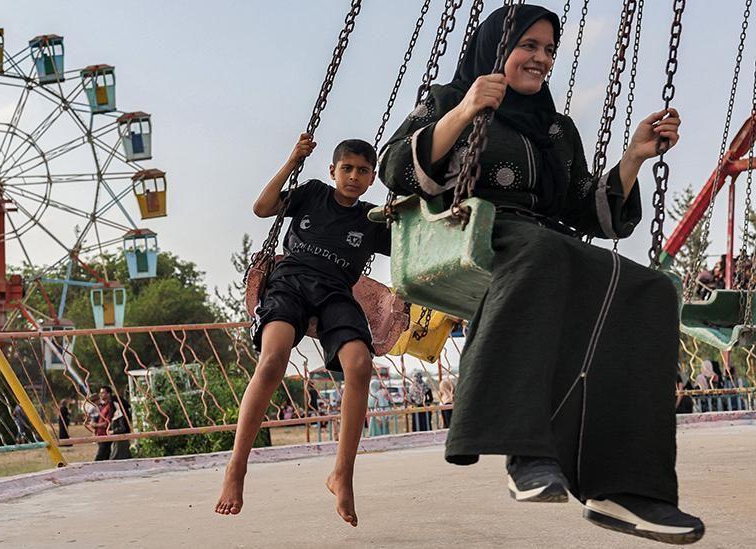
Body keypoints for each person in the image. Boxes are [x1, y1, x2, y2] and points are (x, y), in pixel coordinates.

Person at [378, 5, 702, 543]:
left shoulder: (556, 129)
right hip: (475, 228)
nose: (541, 58)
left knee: (649, 289)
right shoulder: (443, 100)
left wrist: (634, 157)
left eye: (549, 49)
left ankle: (626, 488)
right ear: (495, 48)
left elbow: (586, 211)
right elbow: (394, 170)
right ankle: (525, 451)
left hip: (545, 241)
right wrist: (463, 112)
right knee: (543, 252)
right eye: (529, 45)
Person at [216, 136, 392, 527]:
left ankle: (342, 473)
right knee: (273, 361)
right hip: (290, 283)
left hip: (335, 294)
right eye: (346, 168)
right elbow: (262, 208)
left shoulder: (372, 219)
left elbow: (410, 244)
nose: (353, 176)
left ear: (372, 178)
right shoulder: (312, 193)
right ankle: (236, 467)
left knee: (360, 365)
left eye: (363, 171)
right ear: (332, 172)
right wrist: (293, 159)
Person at [87, 387, 114, 461]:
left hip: (105, 435)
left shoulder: (110, 406)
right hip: (100, 435)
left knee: (99, 458)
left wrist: (94, 425)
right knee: (105, 458)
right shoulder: (102, 406)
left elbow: (106, 423)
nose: (101, 395)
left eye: (103, 393)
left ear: (108, 394)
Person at [108, 396, 132, 460]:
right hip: (117, 439)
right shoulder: (117, 414)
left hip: (121, 439)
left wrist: (113, 431)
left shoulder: (120, 415)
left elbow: (122, 428)